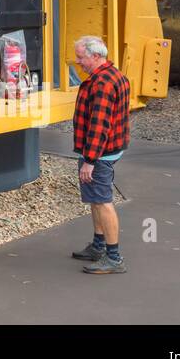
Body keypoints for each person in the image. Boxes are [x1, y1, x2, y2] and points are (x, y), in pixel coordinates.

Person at [70, 35, 130, 274]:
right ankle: (98, 245)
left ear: (95, 56)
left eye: (81, 57)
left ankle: (114, 257)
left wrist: (90, 160)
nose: (78, 62)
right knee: (96, 198)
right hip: (110, 149)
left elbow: (99, 125)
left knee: (103, 201)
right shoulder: (113, 75)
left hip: (100, 154)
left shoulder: (101, 84)